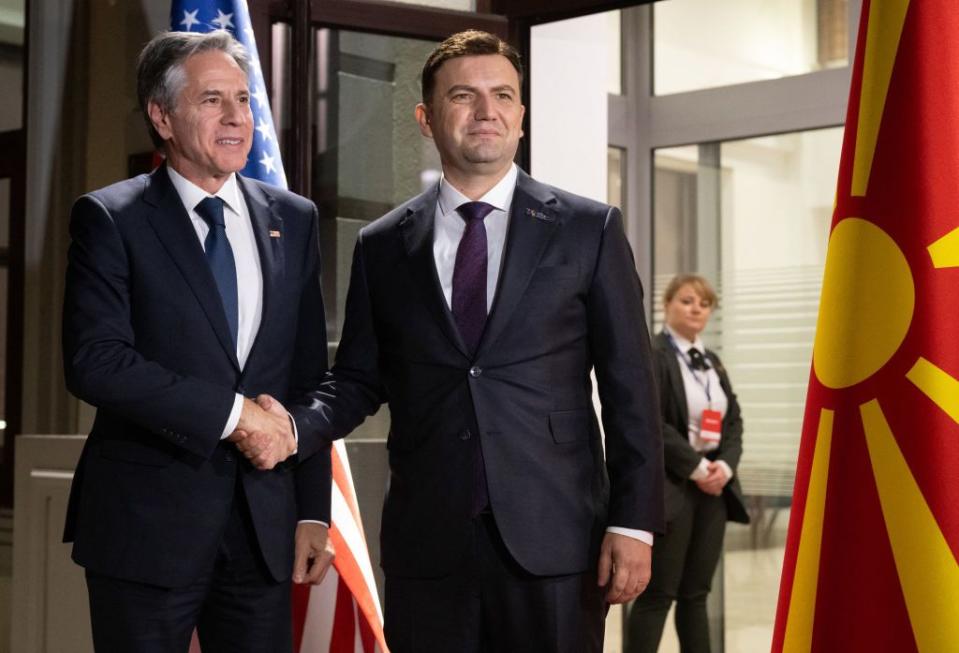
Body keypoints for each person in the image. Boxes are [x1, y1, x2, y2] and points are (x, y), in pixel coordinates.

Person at [277, 29, 664, 653]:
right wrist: (292, 427)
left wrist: (634, 522)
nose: (487, 110)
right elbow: (356, 379)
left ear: (521, 116)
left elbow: (631, 392)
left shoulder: (588, 229)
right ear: (427, 119)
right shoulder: (382, 246)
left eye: (503, 95)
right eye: (464, 95)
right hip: (429, 544)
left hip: (556, 539)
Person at [62, 30, 334, 652]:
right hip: (145, 525)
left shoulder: (293, 218)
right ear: (162, 116)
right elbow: (95, 362)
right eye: (214, 100)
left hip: (263, 526)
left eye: (243, 99)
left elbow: (307, 373)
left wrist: (311, 508)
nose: (238, 117)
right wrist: (235, 416)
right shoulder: (110, 218)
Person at [626, 274, 749, 653]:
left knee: (696, 594)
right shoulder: (655, 355)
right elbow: (653, 421)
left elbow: (733, 422)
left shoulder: (713, 362)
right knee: (658, 593)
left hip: (713, 488)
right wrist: (696, 467)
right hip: (674, 485)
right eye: (687, 300)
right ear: (667, 304)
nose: (696, 308)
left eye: (704, 303)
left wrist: (724, 468)